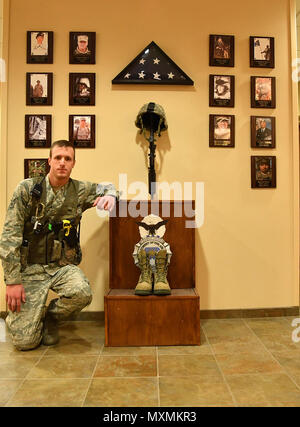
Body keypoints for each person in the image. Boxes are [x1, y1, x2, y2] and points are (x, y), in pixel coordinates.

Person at [0, 140, 117, 351]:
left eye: (68, 159)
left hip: (60, 267)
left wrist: (110, 195)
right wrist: (12, 281)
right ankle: (24, 320)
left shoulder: (80, 190)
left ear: (73, 164)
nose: (62, 163)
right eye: (58, 158)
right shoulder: (27, 189)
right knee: (25, 343)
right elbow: (10, 235)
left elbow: (108, 187)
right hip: (30, 269)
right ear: (49, 161)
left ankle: (50, 318)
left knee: (82, 292)